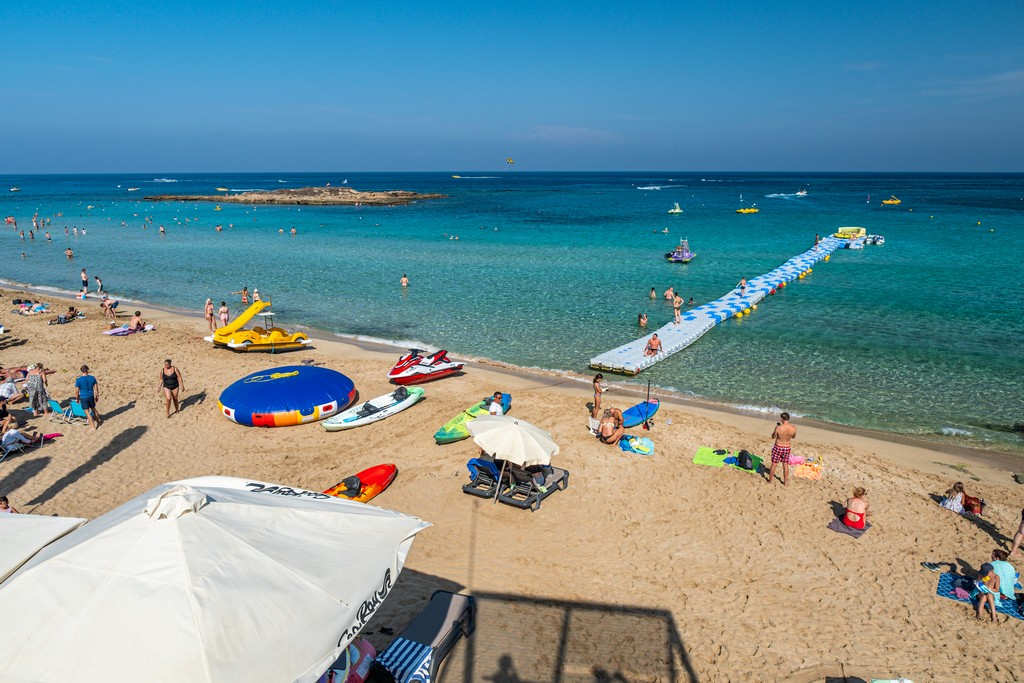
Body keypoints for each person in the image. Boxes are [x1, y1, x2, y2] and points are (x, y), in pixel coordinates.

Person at [767, 412, 796, 486]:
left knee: (774, 464)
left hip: (778, 446)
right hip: (787, 447)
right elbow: (793, 437)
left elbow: (773, 436)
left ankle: (770, 480)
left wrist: (777, 430)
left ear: (782, 419)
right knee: (785, 464)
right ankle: (785, 482)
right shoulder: (793, 428)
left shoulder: (778, 427)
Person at [75, 364, 100, 430]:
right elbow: (96, 388)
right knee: (93, 409)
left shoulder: (79, 380)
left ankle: (93, 426)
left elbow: (77, 391)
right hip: (91, 396)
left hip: (84, 397)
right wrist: (97, 395)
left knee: (87, 412)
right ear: (87, 370)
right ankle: (98, 420)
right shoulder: (92, 378)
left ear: (81, 371)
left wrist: (77, 398)